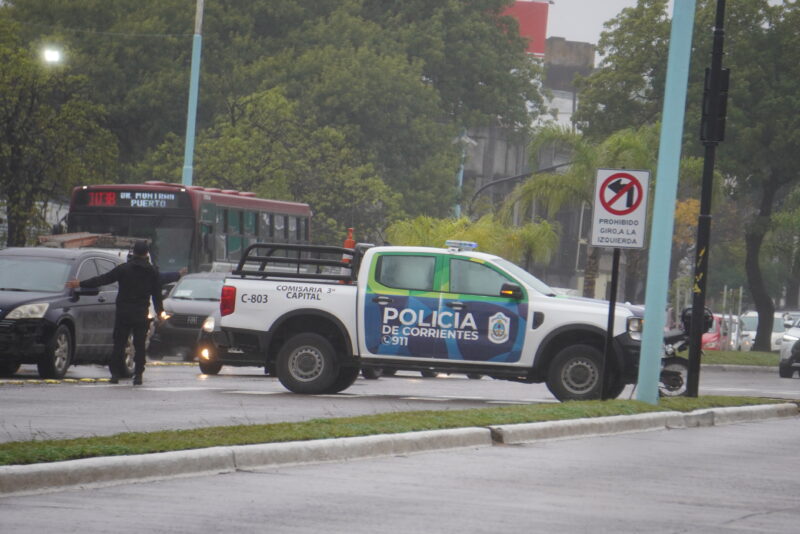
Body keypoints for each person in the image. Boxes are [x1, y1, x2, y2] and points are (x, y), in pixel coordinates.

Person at [67, 240, 163, 385]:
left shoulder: (124, 269)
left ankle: (115, 375)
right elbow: (157, 295)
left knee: (119, 343)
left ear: (134, 252)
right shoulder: (152, 272)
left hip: (123, 313)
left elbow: (103, 279)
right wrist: (160, 312)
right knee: (139, 345)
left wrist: (80, 283)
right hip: (141, 314)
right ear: (146, 253)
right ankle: (138, 375)